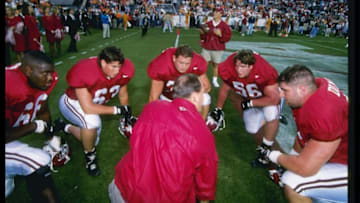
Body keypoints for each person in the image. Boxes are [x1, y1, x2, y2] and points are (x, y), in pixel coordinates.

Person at [109, 73, 218, 203]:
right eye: (202, 94)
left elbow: (136, 139)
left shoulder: (152, 107)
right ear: (194, 97)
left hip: (122, 186)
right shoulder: (203, 134)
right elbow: (206, 184)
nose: (202, 99)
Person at [263, 65, 348, 202]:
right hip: (338, 153)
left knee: (294, 183)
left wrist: (273, 155)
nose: (281, 95)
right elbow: (302, 137)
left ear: (302, 89)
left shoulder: (321, 113)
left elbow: (305, 169)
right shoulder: (315, 88)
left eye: (285, 90)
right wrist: (290, 159)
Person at [58, 46, 134, 176]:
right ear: (103, 63)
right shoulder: (85, 71)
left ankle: (65, 127)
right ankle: (90, 158)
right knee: (92, 122)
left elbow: (123, 94)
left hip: (92, 106)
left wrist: (126, 114)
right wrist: (117, 110)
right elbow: (88, 107)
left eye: (119, 66)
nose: (117, 71)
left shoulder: (123, 71)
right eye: (113, 66)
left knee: (93, 139)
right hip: (72, 103)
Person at [5, 51, 61, 202]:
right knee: (38, 161)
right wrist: (34, 126)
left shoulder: (40, 81)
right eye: (45, 73)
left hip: (10, 138)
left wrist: (50, 137)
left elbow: (42, 108)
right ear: (28, 70)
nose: (50, 78)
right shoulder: (8, 84)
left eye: (51, 73)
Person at [210, 49, 281, 167]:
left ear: (251, 67)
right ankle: (264, 119)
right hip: (250, 96)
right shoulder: (229, 67)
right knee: (252, 129)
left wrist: (250, 103)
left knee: (272, 114)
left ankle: (265, 150)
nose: (238, 70)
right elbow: (225, 88)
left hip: (267, 98)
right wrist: (219, 108)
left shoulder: (264, 72)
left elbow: (274, 99)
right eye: (237, 66)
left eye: (243, 67)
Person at [147, 45, 211, 119]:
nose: (183, 66)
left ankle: (200, 124)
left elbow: (207, 87)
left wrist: (189, 94)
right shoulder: (161, 65)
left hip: (187, 96)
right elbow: (153, 97)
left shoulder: (197, 62)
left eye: (187, 63)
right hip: (168, 96)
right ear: (174, 58)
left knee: (206, 98)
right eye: (181, 62)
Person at [199, 7, 232, 88]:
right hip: (207, 47)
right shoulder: (208, 23)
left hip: (218, 48)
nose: (215, 13)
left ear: (221, 14)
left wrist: (220, 35)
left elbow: (227, 38)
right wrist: (202, 33)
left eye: (217, 12)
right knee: (203, 64)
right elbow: (203, 37)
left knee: (216, 65)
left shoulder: (224, 26)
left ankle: (214, 80)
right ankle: (201, 80)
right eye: (214, 12)